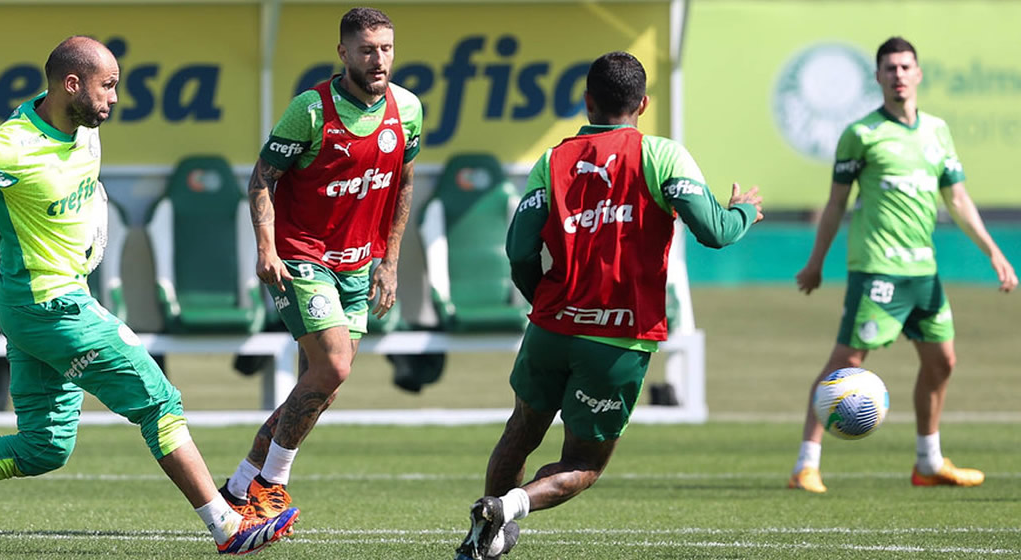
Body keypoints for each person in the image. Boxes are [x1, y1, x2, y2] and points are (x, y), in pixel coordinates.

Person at [0, 36, 297, 554]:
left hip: (36, 306)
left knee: (43, 447)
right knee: (160, 403)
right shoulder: (14, 145)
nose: (116, 97)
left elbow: (83, 185)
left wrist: (92, 224)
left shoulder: (83, 129)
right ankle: (227, 527)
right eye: (108, 86)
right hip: (52, 307)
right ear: (71, 84)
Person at [454, 51, 763, 560]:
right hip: (618, 337)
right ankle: (507, 510)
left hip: (552, 328)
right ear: (643, 103)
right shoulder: (662, 155)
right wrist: (745, 211)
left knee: (522, 429)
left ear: (587, 101)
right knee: (584, 464)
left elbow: (519, 252)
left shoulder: (552, 160)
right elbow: (715, 231)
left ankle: (482, 536)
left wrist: (549, 302)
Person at [217, 7, 422, 522]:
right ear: (344, 53)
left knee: (322, 388)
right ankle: (272, 484)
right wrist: (266, 248)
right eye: (368, 49)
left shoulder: (409, 109)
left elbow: (404, 183)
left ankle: (240, 486)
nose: (379, 59)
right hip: (303, 259)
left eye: (387, 48)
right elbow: (262, 178)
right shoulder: (311, 110)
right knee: (333, 366)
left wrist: (390, 260)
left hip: (359, 267)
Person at [788, 37, 1017, 494]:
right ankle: (805, 464)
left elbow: (958, 199)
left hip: (924, 274)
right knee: (846, 362)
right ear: (877, 77)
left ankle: (928, 462)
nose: (898, 75)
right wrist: (816, 262)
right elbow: (836, 204)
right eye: (889, 68)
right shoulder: (861, 134)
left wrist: (993, 251)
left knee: (943, 362)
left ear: (918, 74)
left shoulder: (937, 131)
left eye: (905, 66)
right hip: (877, 270)